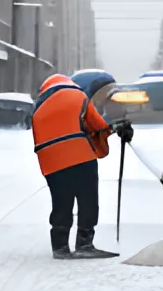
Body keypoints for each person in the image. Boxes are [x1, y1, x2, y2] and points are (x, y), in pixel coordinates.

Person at [31, 73, 130, 259]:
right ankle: (85, 243)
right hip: (80, 157)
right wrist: (118, 129)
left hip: (51, 162)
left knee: (61, 202)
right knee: (87, 199)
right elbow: (99, 127)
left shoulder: (38, 108)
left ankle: (60, 246)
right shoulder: (79, 97)